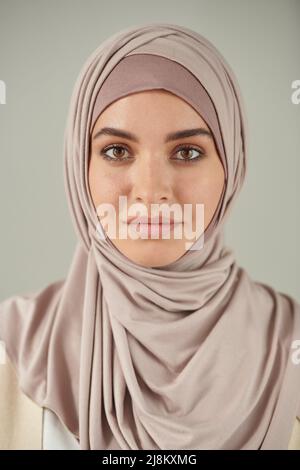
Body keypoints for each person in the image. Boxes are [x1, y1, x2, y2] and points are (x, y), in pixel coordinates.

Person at [0, 22, 300, 450]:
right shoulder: (11, 347)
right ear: (78, 167)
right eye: (117, 151)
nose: (151, 190)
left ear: (231, 169)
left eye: (188, 152)